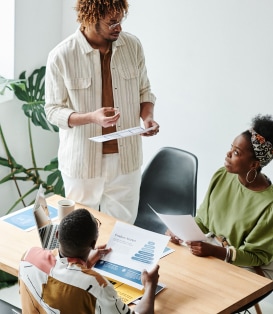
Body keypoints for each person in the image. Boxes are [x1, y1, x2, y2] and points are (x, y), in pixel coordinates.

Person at [44, 0, 159, 224]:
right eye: (112, 22)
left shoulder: (132, 46)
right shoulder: (62, 55)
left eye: (120, 20)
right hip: (81, 162)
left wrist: (148, 118)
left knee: (123, 232)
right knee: (77, 233)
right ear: (90, 19)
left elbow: (145, 91)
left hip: (126, 161)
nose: (119, 27)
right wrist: (91, 118)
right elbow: (52, 110)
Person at [167, 114, 273, 279]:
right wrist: (180, 232)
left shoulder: (269, 205)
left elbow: (257, 257)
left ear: (254, 164)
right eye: (231, 147)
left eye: (236, 152)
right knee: (168, 266)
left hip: (247, 265)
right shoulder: (222, 175)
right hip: (214, 249)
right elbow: (202, 221)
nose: (228, 153)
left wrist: (215, 251)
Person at [19, 208, 160, 313]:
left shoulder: (28, 256)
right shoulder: (96, 284)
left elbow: (58, 277)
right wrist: (150, 286)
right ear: (93, 244)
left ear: (57, 235)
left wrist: (85, 264)